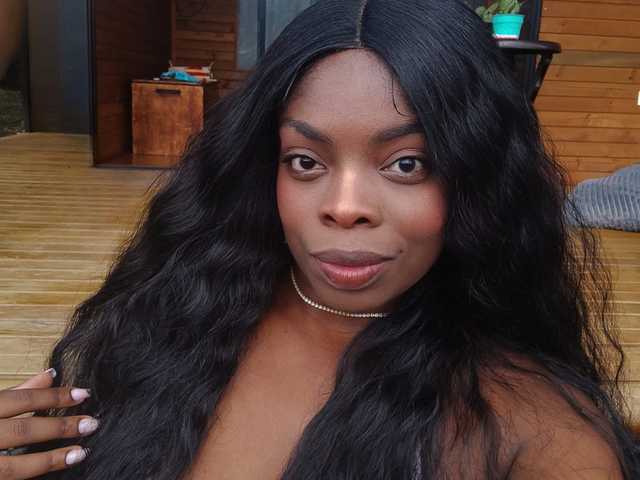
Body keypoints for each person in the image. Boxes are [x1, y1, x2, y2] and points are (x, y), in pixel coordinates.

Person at [0, 0, 638, 478]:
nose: (344, 207)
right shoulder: (177, 314)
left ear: (478, 178)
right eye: (305, 161)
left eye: (407, 164)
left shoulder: (536, 432)